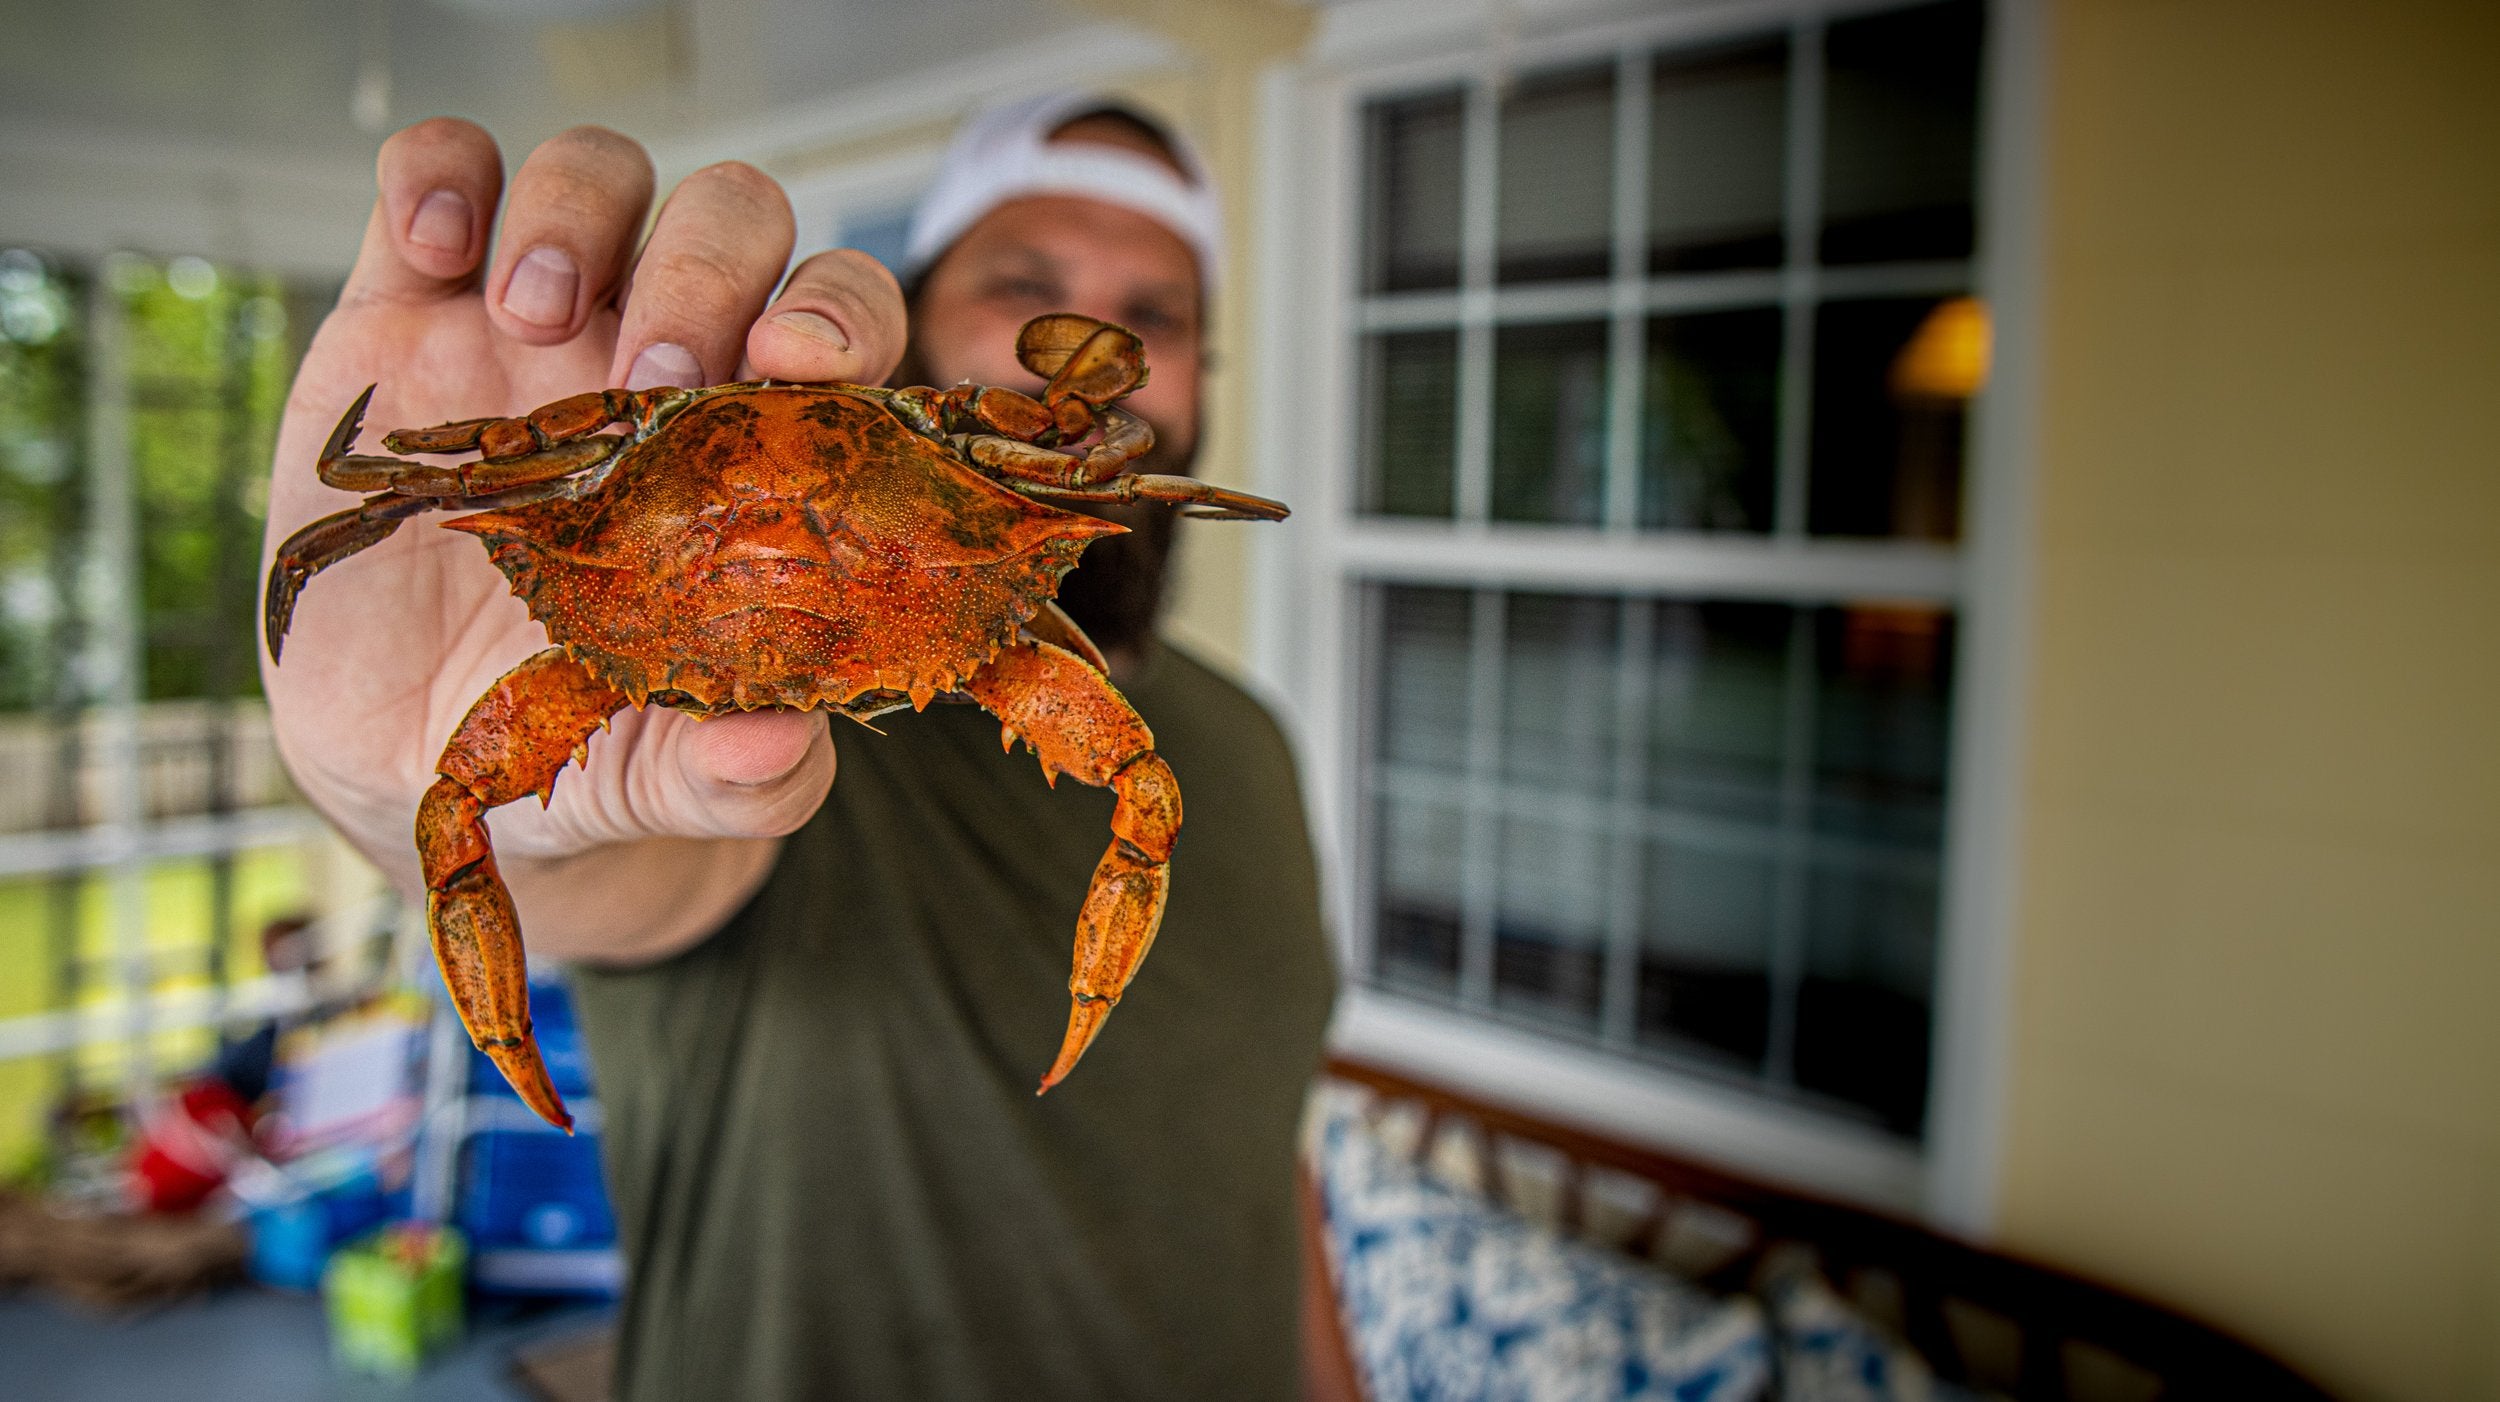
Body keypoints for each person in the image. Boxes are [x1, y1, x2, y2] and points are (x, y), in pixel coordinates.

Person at [258, 96, 1340, 1400]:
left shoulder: (1252, 748)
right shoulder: (728, 752)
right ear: (914, 318)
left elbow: (1257, 1146)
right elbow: (598, 870)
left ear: (1187, 392)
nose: (1085, 351)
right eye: (1025, 286)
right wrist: (394, 788)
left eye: (1151, 320)